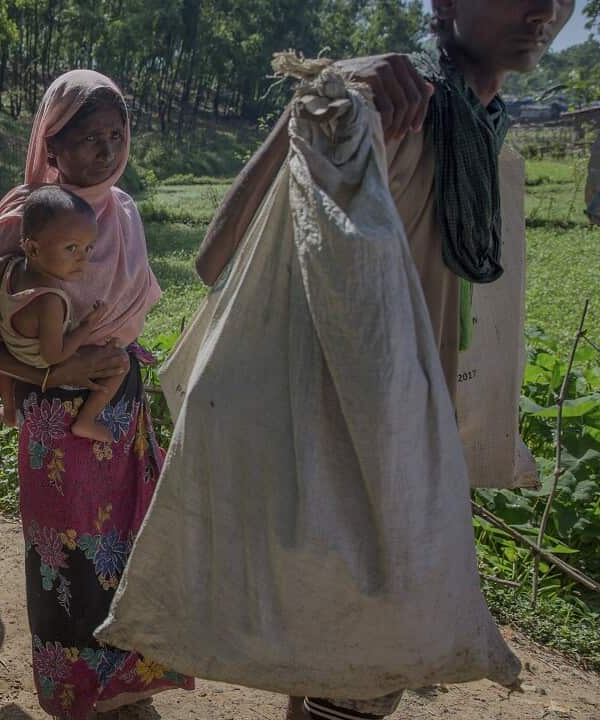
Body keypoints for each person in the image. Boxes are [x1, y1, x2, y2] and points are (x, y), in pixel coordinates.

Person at [194, 2, 575, 719]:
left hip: (403, 442)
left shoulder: (483, 134)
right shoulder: (382, 107)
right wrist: (323, 91)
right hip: (346, 450)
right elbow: (220, 257)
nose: (543, 9)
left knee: (339, 661)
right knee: (360, 666)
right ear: (444, 6)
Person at [0, 70, 195, 719]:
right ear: (53, 145)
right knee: (68, 550)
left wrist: (101, 371)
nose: (104, 150)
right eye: (86, 139)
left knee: (128, 538)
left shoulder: (126, 212)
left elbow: (127, 313)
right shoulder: (30, 217)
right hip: (57, 417)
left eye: (115, 134)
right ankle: (76, 685)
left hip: (121, 404)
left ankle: (129, 678)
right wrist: (52, 373)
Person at [0, 186, 117, 442]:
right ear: (32, 249)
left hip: (12, 350)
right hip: (40, 361)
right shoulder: (49, 300)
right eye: (71, 248)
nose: (82, 259)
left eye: (88, 249)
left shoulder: (10, 266)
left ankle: (9, 411)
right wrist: (87, 325)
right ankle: (87, 419)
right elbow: (53, 356)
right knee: (120, 362)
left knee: (8, 369)